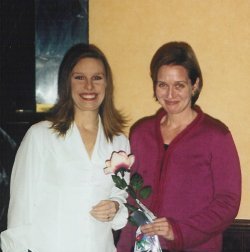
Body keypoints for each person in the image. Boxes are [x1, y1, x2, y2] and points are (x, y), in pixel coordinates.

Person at [0, 43, 130, 252]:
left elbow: (120, 194)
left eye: (97, 78)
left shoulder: (118, 141)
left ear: (107, 84)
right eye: (79, 77)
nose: (89, 86)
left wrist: (114, 207)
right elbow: (20, 211)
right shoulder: (41, 136)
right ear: (67, 83)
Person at [117, 41, 241, 252]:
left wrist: (179, 231)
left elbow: (228, 202)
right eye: (162, 85)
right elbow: (132, 198)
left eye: (179, 85)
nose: (170, 94)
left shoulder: (216, 135)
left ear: (195, 85)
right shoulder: (141, 132)